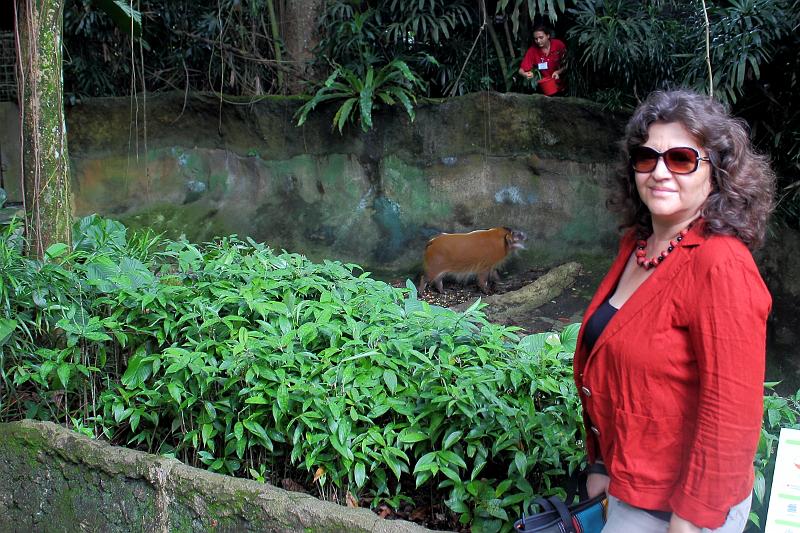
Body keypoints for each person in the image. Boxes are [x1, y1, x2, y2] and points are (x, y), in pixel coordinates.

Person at [574, 89, 775, 533]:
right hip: (629, 486)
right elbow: (613, 363)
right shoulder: (638, 246)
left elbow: (732, 416)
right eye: (647, 158)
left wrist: (690, 521)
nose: (660, 172)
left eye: (682, 159)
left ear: (716, 173)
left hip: (679, 511)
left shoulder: (720, 263)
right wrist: (602, 464)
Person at [518, 25, 567, 94]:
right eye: (536, 39)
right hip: (547, 87)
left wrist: (558, 72)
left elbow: (569, 64)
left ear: (548, 36)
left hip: (565, 85)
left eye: (541, 38)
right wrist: (525, 74)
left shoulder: (558, 44)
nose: (538, 41)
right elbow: (521, 70)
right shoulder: (532, 50)